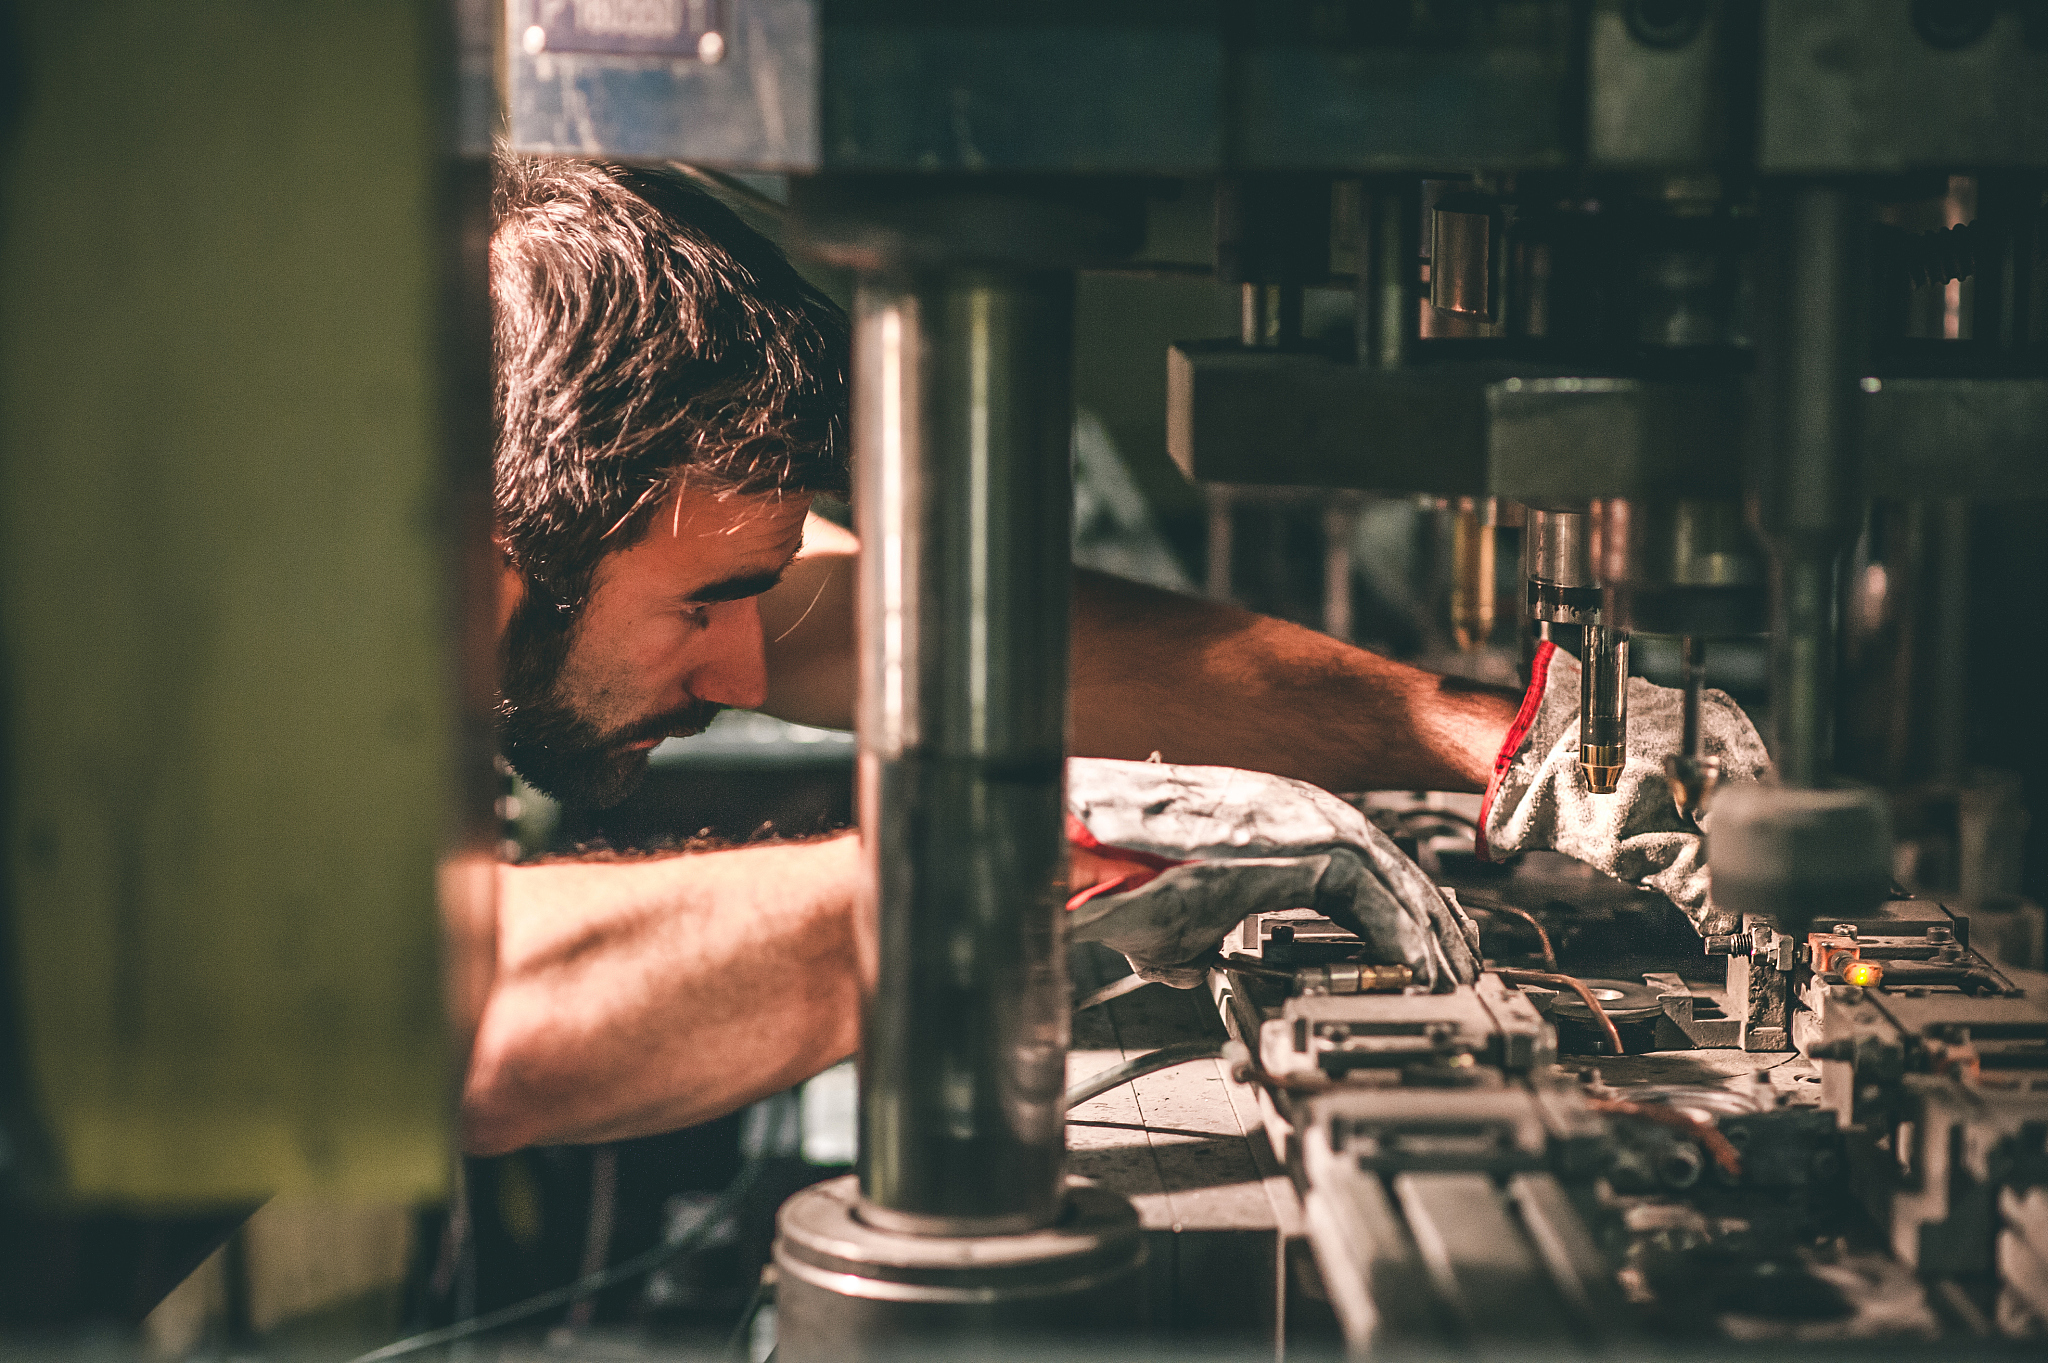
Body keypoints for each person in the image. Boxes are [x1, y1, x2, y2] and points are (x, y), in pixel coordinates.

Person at [463, 157, 1766, 1156]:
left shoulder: (532, 568)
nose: (750, 676)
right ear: (493, 545)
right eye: (700, 608)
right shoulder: (264, 659)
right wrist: (1040, 858)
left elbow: (940, 632)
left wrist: (1486, 737)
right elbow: (471, 1017)